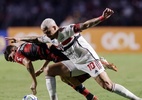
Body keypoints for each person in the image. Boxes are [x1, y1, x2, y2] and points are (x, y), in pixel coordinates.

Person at [35, 8, 141, 100]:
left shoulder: (67, 30)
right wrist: (20, 39)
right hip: (76, 62)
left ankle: (136, 99)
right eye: (45, 33)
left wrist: (102, 18)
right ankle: (88, 95)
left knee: (107, 86)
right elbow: (36, 40)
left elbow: (86, 25)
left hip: (88, 60)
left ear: (54, 28)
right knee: (52, 72)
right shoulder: (50, 39)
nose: (47, 35)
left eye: (47, 32)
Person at [4, 41, 116, 100]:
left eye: (11, 57)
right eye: (11, 60)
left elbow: (28, 63)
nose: (13, 60)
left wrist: (34, 81)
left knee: (69, 77)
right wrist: (43, 68)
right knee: (68, 77)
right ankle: (90, 95)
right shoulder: (26, 46)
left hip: (57, 54)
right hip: (57, 51)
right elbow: (45, 53)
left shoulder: (18, 53)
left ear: (13, 49)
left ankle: (98, 64)